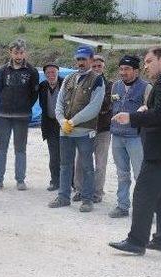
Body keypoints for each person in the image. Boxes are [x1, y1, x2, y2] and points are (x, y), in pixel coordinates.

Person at [109, 47, 161, 255]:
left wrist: (131, 117)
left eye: (148, 61)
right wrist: (147, 109)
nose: (145, 66)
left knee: (143, 193)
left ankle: (136, 241)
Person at [48, 45, 105, 213]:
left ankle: (87, 199)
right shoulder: (69, 78)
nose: (81, 62)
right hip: (65, 131)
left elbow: (94, 107)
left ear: (91, 60)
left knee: (87, 166)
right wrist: (61, 120)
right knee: (65, 165)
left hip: (85, 132)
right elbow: (59, 102)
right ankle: (63, 197)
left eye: (84, 59)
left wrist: (72, 121)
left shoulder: (97, 80)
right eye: (78, 59)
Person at [0, 38, 39, 191]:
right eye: (16, 53)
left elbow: (34, 94)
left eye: (21, 52)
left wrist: (23, 107)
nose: (19, 56)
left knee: (20, 149)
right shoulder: (2, 71)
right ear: (10, 53)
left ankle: (20, 180)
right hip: (3, 115)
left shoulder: (32, 72)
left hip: (22, 116)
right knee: (1, 148)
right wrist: (6, 105)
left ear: (25, 53)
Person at [108, 55, 151, 218]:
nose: (122, 72)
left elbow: (149, 109)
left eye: (126, 69)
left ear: (136, 71)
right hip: (117, 136)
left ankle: (145, 210)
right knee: (122, 173)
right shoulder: (115, 87)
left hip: (136, 138)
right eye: (121, 69)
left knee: (141, 174)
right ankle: (122, 206)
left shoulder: (146, 88)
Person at [72, 55, 112, 203]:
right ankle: (79, 190)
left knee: (100, 163)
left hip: (103, 129)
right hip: (85, 129)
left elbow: (106, 105)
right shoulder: (81, 83)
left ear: (104, 67)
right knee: (80, 160)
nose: (96, 69)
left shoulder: (111, 85)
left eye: (99, 66)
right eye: (94, 66)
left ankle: (97, 192)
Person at [38, 63, 63, 191]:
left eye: (53, 72)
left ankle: (71, 182)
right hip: (50, 125)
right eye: (48, 73)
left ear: (58, 73)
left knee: (67, 154)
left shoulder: (65, 84)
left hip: (64, 125)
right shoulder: (42, 86)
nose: (51, 75)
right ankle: (55, 181)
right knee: (54, 155)